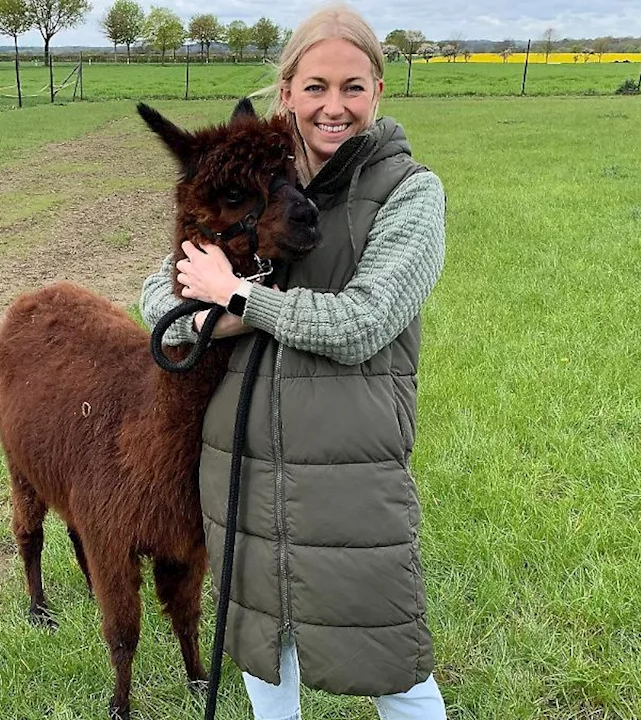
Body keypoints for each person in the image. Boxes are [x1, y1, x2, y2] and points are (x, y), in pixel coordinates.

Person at [138, 4, 448, 719]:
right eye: (315, 87)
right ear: (287, 93)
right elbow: (164, 294)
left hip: (347, 466)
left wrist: (238, 299)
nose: (332, 107)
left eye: (352, 87)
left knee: (388, 660)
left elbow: (364, 322)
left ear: (377, 92)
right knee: (260, 657)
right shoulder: (252, 181)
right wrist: (213, 312)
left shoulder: (409, 193)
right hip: (240, 462)